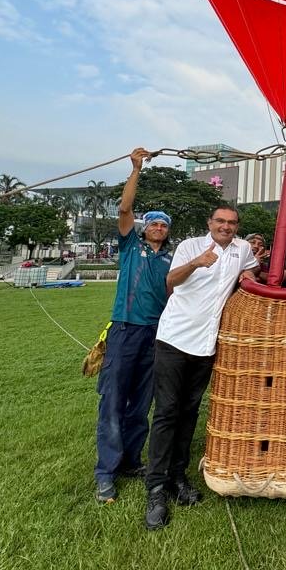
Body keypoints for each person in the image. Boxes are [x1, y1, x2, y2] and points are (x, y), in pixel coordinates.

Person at [144, 204, 258, 530]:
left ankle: (177, 478)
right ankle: (155, 488)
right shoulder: (190, 246)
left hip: (206, 345)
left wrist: (249, 275)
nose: (226, 226)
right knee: (166, 412)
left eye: (232, 222)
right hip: (173, 340)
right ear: (210, 223)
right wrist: (196, 263)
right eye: (220, 221)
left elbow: (251, 270)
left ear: (237, 226)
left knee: (189, 412)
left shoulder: (242, 249)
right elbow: (170, 282)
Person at [94, 147, 172, 504]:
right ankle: (105, 473)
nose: (158, 227)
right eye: (154, 222)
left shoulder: (171, 260)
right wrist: (136, 171)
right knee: (113, 402)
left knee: (141, 403)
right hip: (124, 329)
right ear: (145, 228)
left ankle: (130, 461)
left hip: (155, 336)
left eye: (164, 224)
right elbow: (124, 210)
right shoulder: (130, 248)